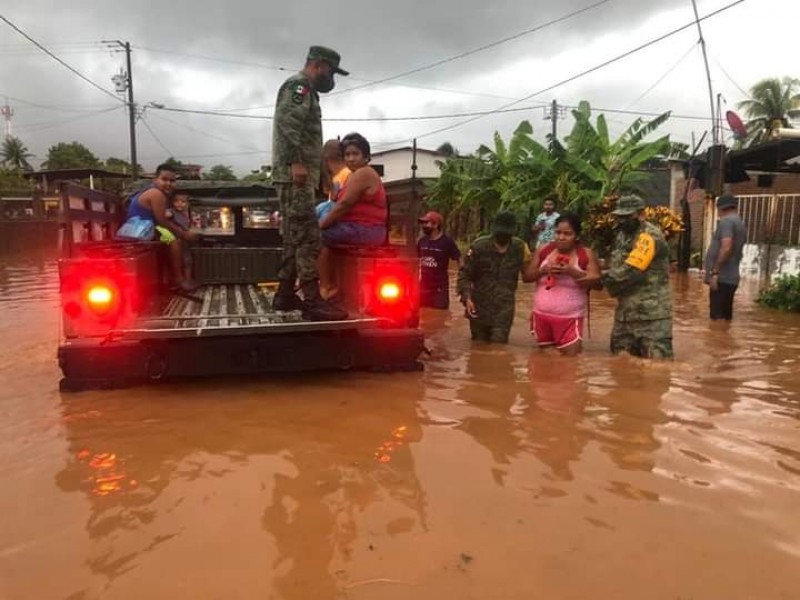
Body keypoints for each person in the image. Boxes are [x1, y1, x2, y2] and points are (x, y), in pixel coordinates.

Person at [271, 46, 349, 321]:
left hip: (299, 176)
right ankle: (312, 300)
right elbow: (287, 123)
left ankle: (284, 294)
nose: (332, 78)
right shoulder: (299, 87)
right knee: (308, 237)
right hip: (296, 177)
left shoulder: (306, 90)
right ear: (318, 64)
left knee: (294, 237)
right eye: (330, 71)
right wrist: (296, 163)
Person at [601, 195, 673, 359]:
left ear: (641, 214)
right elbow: (614, 263)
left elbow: (631, 271)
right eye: (619, 216)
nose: (622, 220)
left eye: (627, 216)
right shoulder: (621, 236)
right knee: (621, 368)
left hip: (652, 316)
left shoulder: (650, 236)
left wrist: (596, 278)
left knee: (656, 370)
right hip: (625, 315)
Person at [318, 133, 387, 299]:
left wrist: (321, 225)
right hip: (358, 228)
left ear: (366, 157)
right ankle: (329, 282)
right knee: (320, 231)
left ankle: (326, 287)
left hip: (367, 230)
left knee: (316, 236)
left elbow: (344, 205)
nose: (350, 158)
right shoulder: (351, 176)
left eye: (355, 154)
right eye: (347, 155)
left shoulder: (364, 173)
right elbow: (337, 201)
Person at [525, 213, 601, 355]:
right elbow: (527, 277)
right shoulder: (544, 250)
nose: (561, 237)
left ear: (577, 236)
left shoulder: (585, 254)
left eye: (567, 234)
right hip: (541, 317)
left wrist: (572, 271)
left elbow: (597, 282)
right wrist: (544, 270)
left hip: (570, 319)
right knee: (545, 364)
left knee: (570, 364)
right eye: (558, 232)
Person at [457, 211, 531, 343]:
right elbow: (464, 274)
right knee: (477, 347)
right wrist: (467, 297)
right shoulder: (478, 247)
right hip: (478, 306)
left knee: (499, 347)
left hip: (504, 309)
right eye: (499, 233)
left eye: (506, 234)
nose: (502, 237)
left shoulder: (520, 248)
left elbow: (528, 275)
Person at [126, 163, 197, 292]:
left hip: (146, 228)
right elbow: (162, 221)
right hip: (141, 229)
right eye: (164, 179)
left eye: (172, 181)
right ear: (155, 179)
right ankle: (178, 279)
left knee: (173, 237)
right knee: (175, 242)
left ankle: (171, 277)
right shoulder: (156, 194)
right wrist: (184, 234)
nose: (168, 184)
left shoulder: (158, 194)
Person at [704, 194, 746, 321]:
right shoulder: (740, 222)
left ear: (720, 208)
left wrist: (715, 272)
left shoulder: (726, 222)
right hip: (731, 278)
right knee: (725, 318)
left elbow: (726, 246)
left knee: (717, 321)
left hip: (721, 278)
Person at [417, 210, 461, 309]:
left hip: (440, 288)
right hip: (423, 287)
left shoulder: (447, 242)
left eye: (426, 223)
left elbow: (458, 258)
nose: (423, 226)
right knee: (424, 314)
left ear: (436, 225)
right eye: (423, 223)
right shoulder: (421, 241)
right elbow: (415, 259)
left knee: (440, 315)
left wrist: (462, 279)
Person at [161, 192, 193, 283]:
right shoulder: (172, 212)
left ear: (187, 204)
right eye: (176, 201)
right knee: (176, 261)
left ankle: (188, 279)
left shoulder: (186, 214)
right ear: (172, 203)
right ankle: (178, 280)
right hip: (176, 241)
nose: (179, 203)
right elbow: (164, 215)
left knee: (187, 261)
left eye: (183, 202)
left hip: (185, 241)